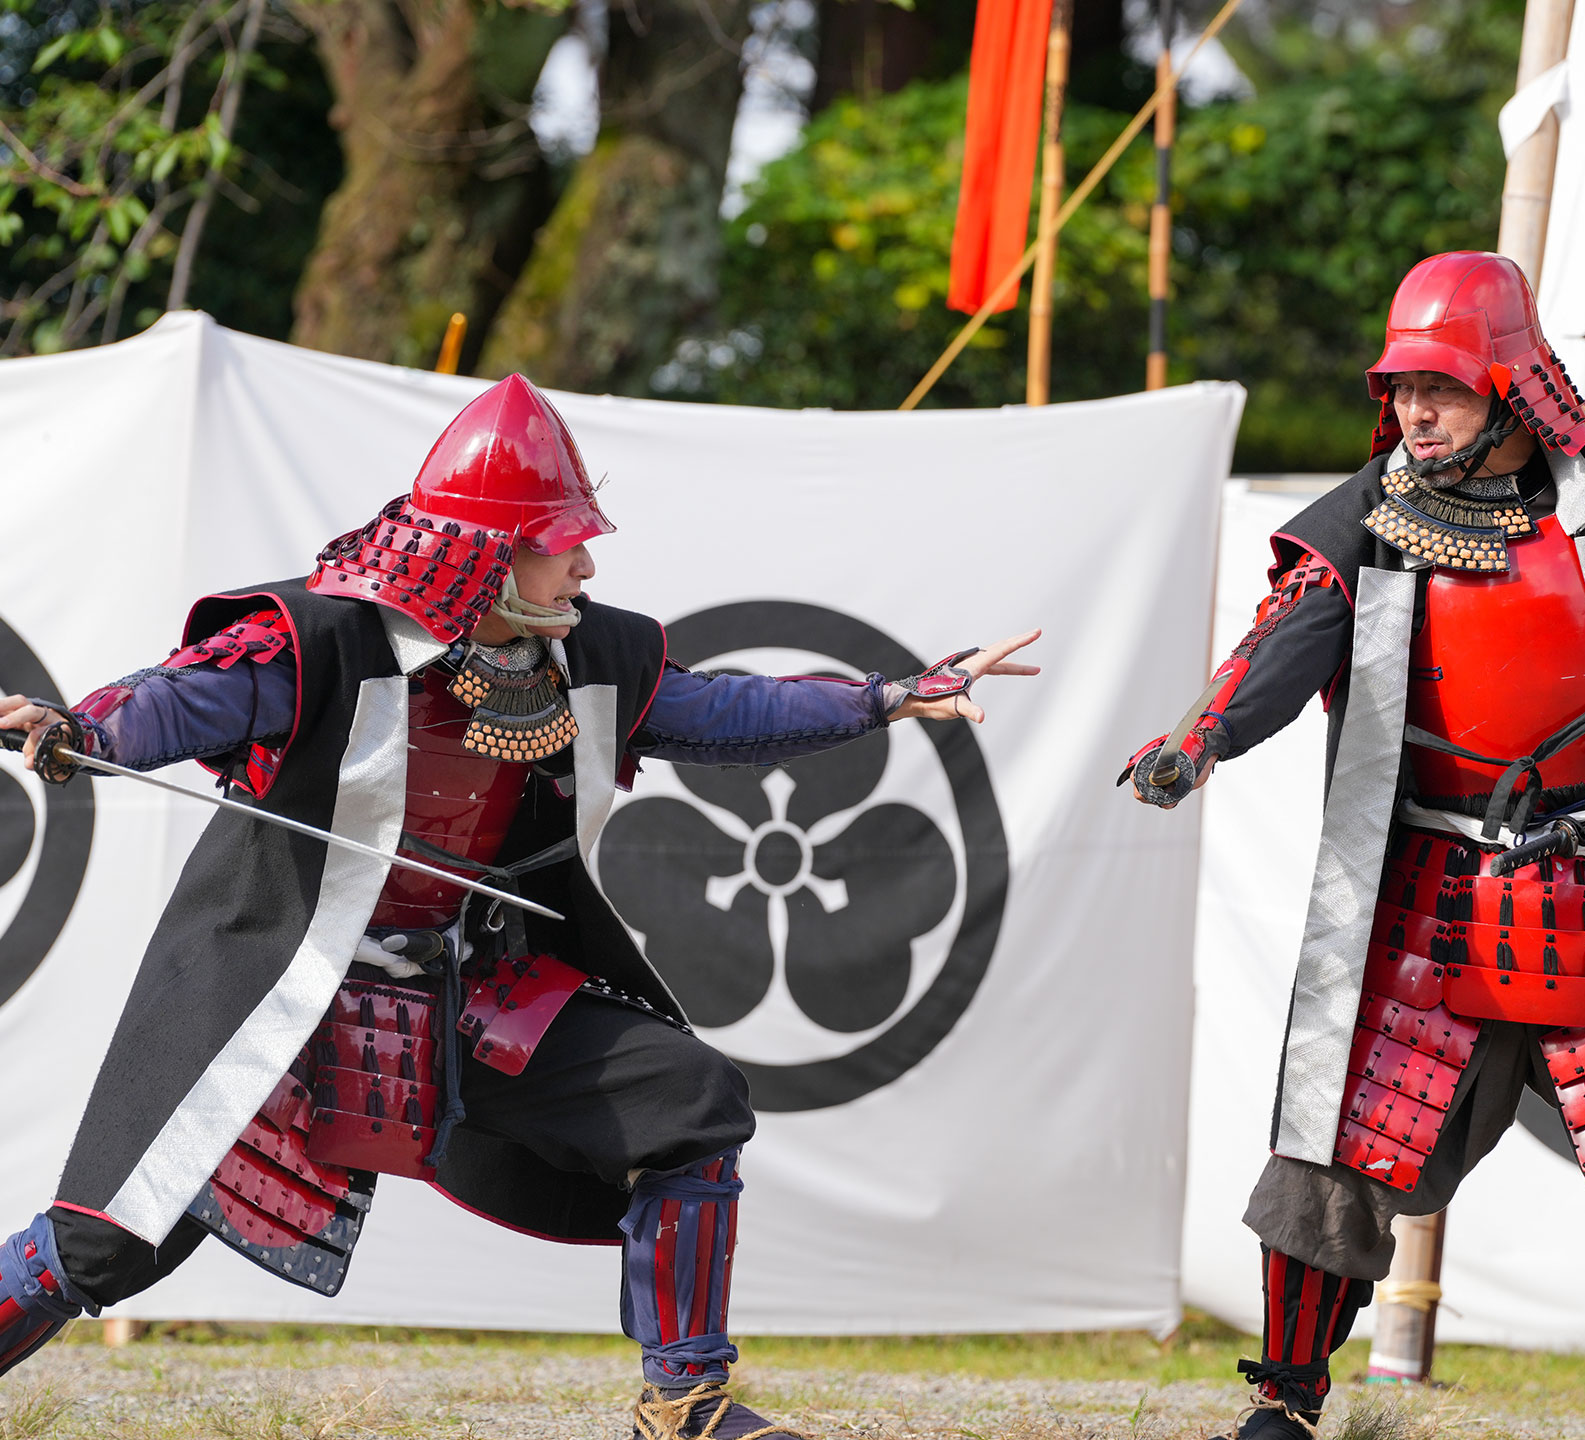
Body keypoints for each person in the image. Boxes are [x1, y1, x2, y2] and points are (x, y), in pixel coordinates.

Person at [0, 373, 1038, 1440]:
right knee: (107, 1248)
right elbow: (179, 696)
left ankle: (686, 1401)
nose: (586, 563)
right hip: (287, 1004)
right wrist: (84, 727)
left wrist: (887, 696)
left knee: (689, 1100)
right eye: (562, 540)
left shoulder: (587, 652)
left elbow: (723, 709)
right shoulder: (325, 640)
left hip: (465, 998)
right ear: (491, 550)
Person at [1127, 252, 1585, 1440]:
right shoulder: (1368, 515)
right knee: (1333, 1131)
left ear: (1512, 385)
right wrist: (1193, 744)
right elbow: (1277, 649)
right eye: (1402, 386)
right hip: (1432, 886)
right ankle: (1287, 1403)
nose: (1414, 411)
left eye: (1442, 387)